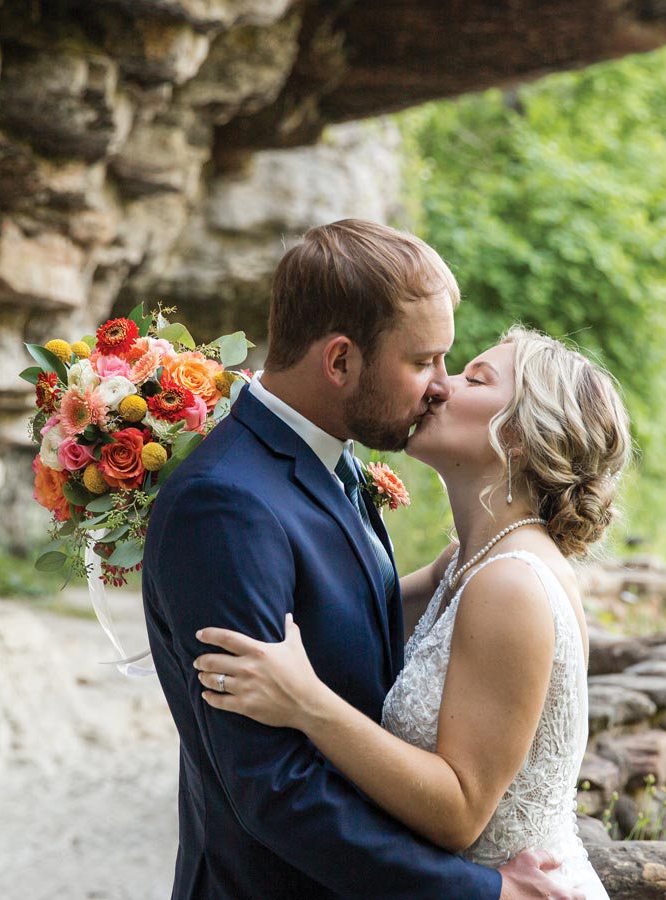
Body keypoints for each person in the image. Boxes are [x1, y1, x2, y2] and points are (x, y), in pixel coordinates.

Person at [141, 219, 585, 899]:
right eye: (423, 361)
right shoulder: (226, 505)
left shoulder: (336, 463)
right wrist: (485, 894)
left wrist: (450, 583)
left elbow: (347, 626)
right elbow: (275, 789)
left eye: (453, 365)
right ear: (341, 361)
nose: (439, 385)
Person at [193, 324, 629, 900]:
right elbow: (354, 619)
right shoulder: (469, 561)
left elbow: (461, 811)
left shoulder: (510, 584)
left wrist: (307, 705)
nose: (440, 386)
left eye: (474, 378)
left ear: (520, 435)